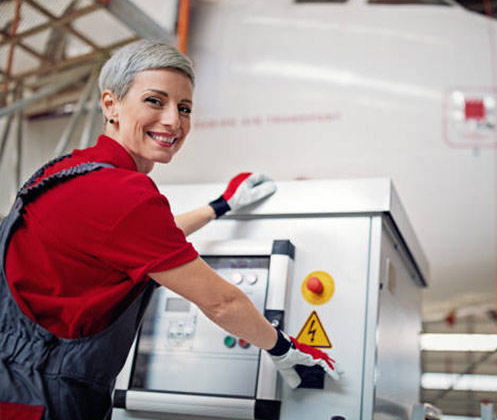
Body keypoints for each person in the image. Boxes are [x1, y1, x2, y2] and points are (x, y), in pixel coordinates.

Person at [0, 40, 338, 420]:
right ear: (110, 104)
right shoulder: (124, 194)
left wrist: (219, 207)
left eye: (184, 108)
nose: (173, 121)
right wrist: (285, 350)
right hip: (45, 396)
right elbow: (221, 302)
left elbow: (141, 241)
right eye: (155, 101)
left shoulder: (62, 172)